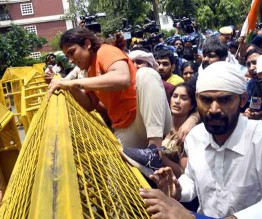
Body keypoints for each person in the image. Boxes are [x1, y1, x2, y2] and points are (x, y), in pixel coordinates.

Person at [143, 61, 262, 218]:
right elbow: (193, 179)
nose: (213, 109)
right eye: (206, 100)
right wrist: (179, 189)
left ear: (242, 99)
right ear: (197, 101)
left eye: (224, 100)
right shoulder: (195, 138)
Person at [47, 27, 171, 175]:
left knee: (146, 74)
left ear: (87, 44)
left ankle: (154, 152)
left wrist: (73, 83)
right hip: (125, 127)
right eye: (68, 56)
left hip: (145, 118)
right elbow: (89, 103)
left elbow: (122, 78)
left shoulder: (105, 51)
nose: (71, 60)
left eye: (72, 52)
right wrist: (65, 85)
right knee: (116, 181)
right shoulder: (89, 70)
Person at [162, 83, 196, 178]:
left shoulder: (190, 133)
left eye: (183, 98)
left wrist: (160, 157)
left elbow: (183, 173)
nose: (177, 101)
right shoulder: (161, 122)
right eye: (175, 96)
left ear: (192, 105)